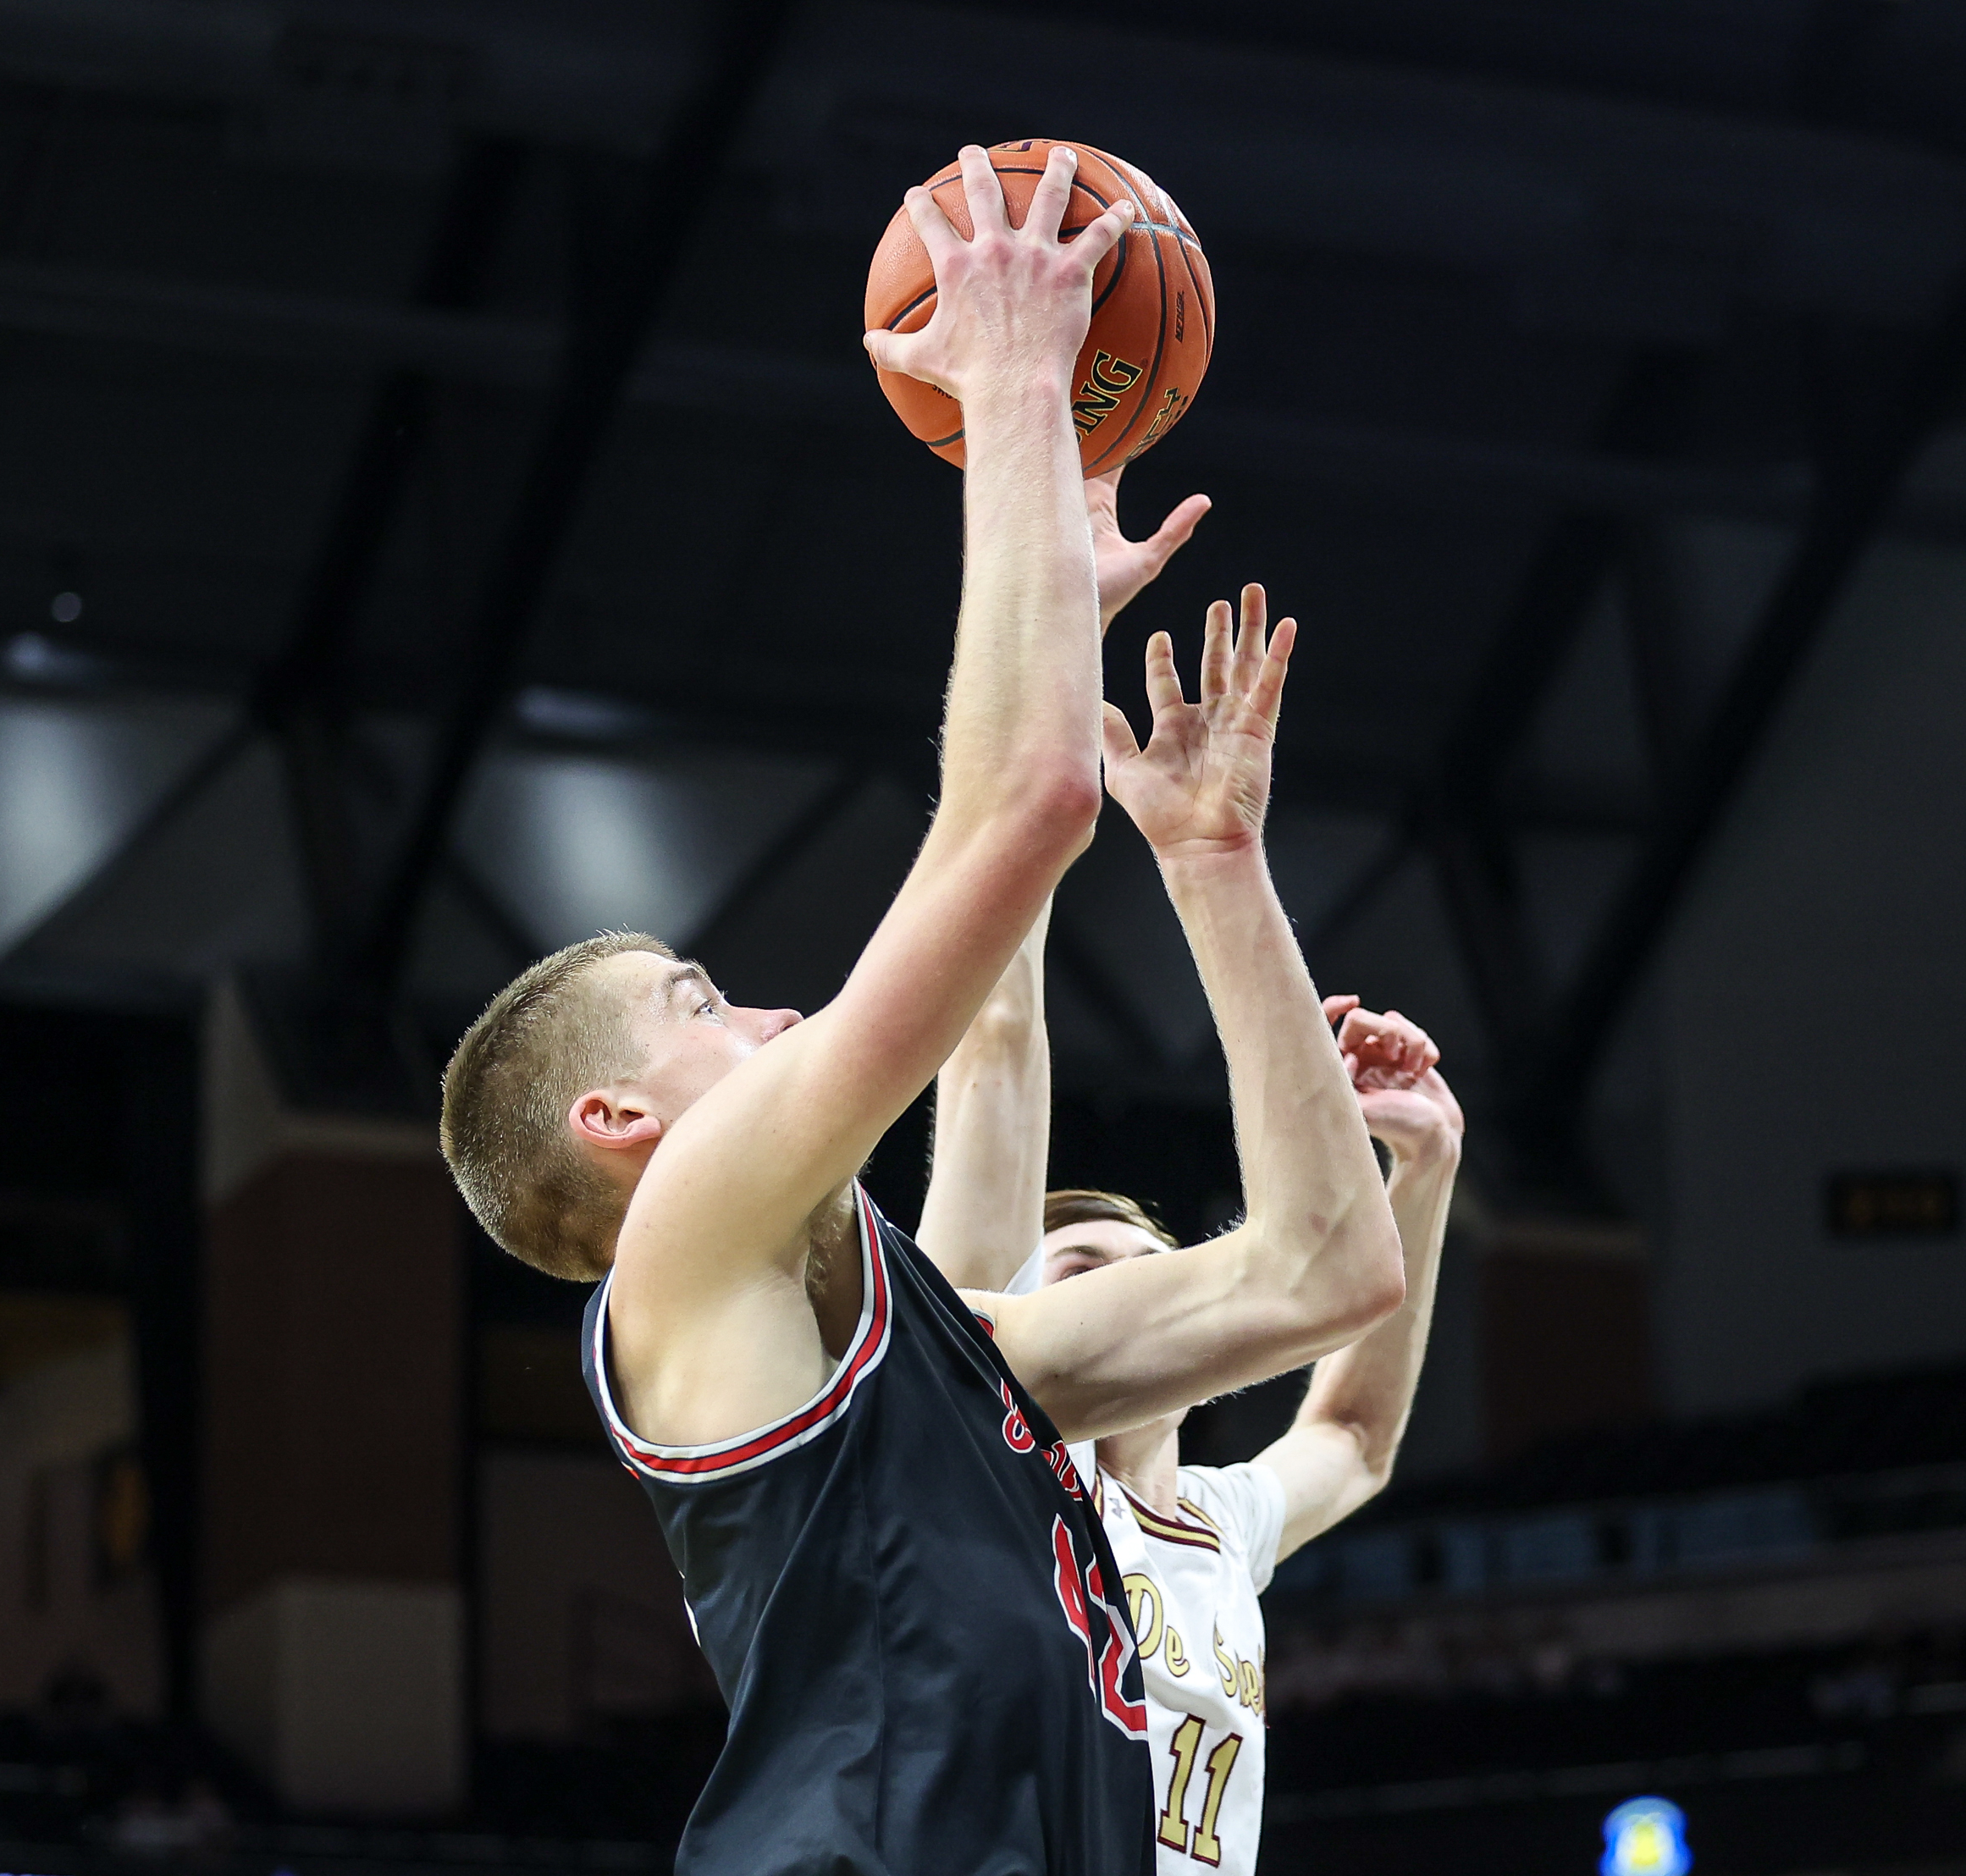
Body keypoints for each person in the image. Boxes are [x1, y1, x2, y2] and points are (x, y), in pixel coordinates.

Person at [436, 146, 1404, 1876]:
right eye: (704, 997)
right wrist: (1021, 380)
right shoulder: (690, 1247)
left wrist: (1217, 862)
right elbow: (1027, 802)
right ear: (619, 1120)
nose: (771, 1006)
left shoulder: (925, 1353)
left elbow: (1325, 1276)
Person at [919, 954, 1464, 1876]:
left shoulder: (1220, 1522)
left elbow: (1354, 1438)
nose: (1135, 1286)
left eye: (1156, 1266)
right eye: (1084, 1272)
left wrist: (1426, 1163)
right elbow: (994, 1051)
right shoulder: (1000, 1476)